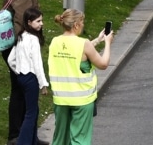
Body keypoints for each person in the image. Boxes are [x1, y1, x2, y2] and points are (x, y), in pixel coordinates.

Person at [47, 9, 112, 145]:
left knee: (60, 139)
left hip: (61, 99)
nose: (83, 25)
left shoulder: (54, 42)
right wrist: (107, 43)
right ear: (76, 25)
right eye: (82, 22)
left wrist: (97, 40)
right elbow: (103, 64)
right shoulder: (83, 44)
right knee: (79, 140)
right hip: (82, 100)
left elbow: (74, 53)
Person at [3, 0, 43, 145]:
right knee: (22, 92)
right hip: (19, 50)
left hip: (14, 47)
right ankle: (17, 136)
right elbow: (23, 23)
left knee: (19, 91)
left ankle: (28, 137)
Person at [7, 7, 48, 145]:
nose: (41, 23)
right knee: (30, 113)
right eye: (38, 21)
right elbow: (37, 64)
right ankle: (23, 142)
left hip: (21, 78)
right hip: (31, 78)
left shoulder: (21, 35)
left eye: (41, 20)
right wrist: (43, 84)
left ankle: (33, 140)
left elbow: (11, 59)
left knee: (33, 109)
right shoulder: (33, 39)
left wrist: (18, 70)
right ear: (29, 22)